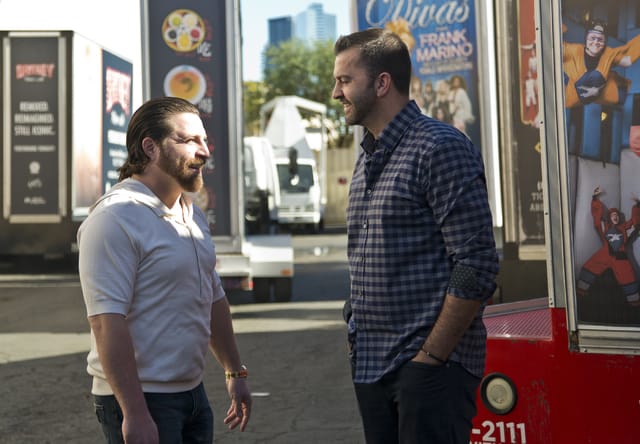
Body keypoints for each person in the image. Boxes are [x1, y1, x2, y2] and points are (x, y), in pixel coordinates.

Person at [332, 28, 499, 444]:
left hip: (429, 372)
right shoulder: (368, 155)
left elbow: (476, 266)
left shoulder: (439, 147)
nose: (336, 92)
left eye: (344, 80)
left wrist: (430, 359)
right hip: (372, 366)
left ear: (382, 82)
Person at [77, 96, 252, 443]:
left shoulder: (190, 213)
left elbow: (212, 298)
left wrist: (235, 372)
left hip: (192, 394)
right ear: (150, 148)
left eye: (204, 140)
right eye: (189, 140)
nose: (204, 151)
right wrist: (135, 413)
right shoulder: (115, 217)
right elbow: (106, 321)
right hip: (142, 400)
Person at [576, 187, 640, 306]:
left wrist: (637, 205)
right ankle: (580, 294)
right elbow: (597, 217)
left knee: (629, 278)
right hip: (604, 254)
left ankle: (635, 304)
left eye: (616, 215)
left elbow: (635, 222)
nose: (615, 217)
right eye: (612, 215)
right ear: (609, 218)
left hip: (621, 257)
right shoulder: (604, 226)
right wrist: (594, 198)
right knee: (588, 268)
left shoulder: (625, 227)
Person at [563, 19, 640, 108]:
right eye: (592, 38)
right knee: (595, 76)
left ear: (605, 42)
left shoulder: (607, 54)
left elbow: (627, 60)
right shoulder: (573, 50)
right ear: (586, 39)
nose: (596, 42)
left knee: (602, 79)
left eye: (600, 39)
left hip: (596, 92)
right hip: (568, 93)